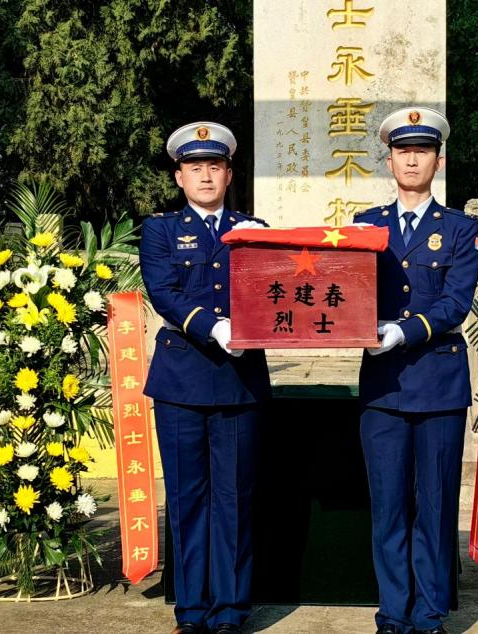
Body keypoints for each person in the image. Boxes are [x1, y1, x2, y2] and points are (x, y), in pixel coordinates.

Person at [354, 107, 478, 634]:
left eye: (422, 151)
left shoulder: (459, 228)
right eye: (403, 152)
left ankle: (429, 616)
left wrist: (403, 332)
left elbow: (455, 303)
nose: (412, 160)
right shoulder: (365, 226)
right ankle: (392, 614)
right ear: (389, 161)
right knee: (388, 507)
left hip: (438, 382)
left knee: (434, 505)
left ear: (438, 161)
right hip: (383, 387)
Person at [140, 121, 271, 634]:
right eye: (195, 167)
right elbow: (164, 292)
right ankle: (192, 613)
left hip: (239, 381)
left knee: (235, 501)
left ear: (229, 174)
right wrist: (214, 326)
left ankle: (231, 612)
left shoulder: (253, 229)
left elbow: (274, 291)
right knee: (187, 500)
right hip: (181, 380)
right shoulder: (161, 230)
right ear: (179, 177)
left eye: (214, 166)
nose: (206, 176)